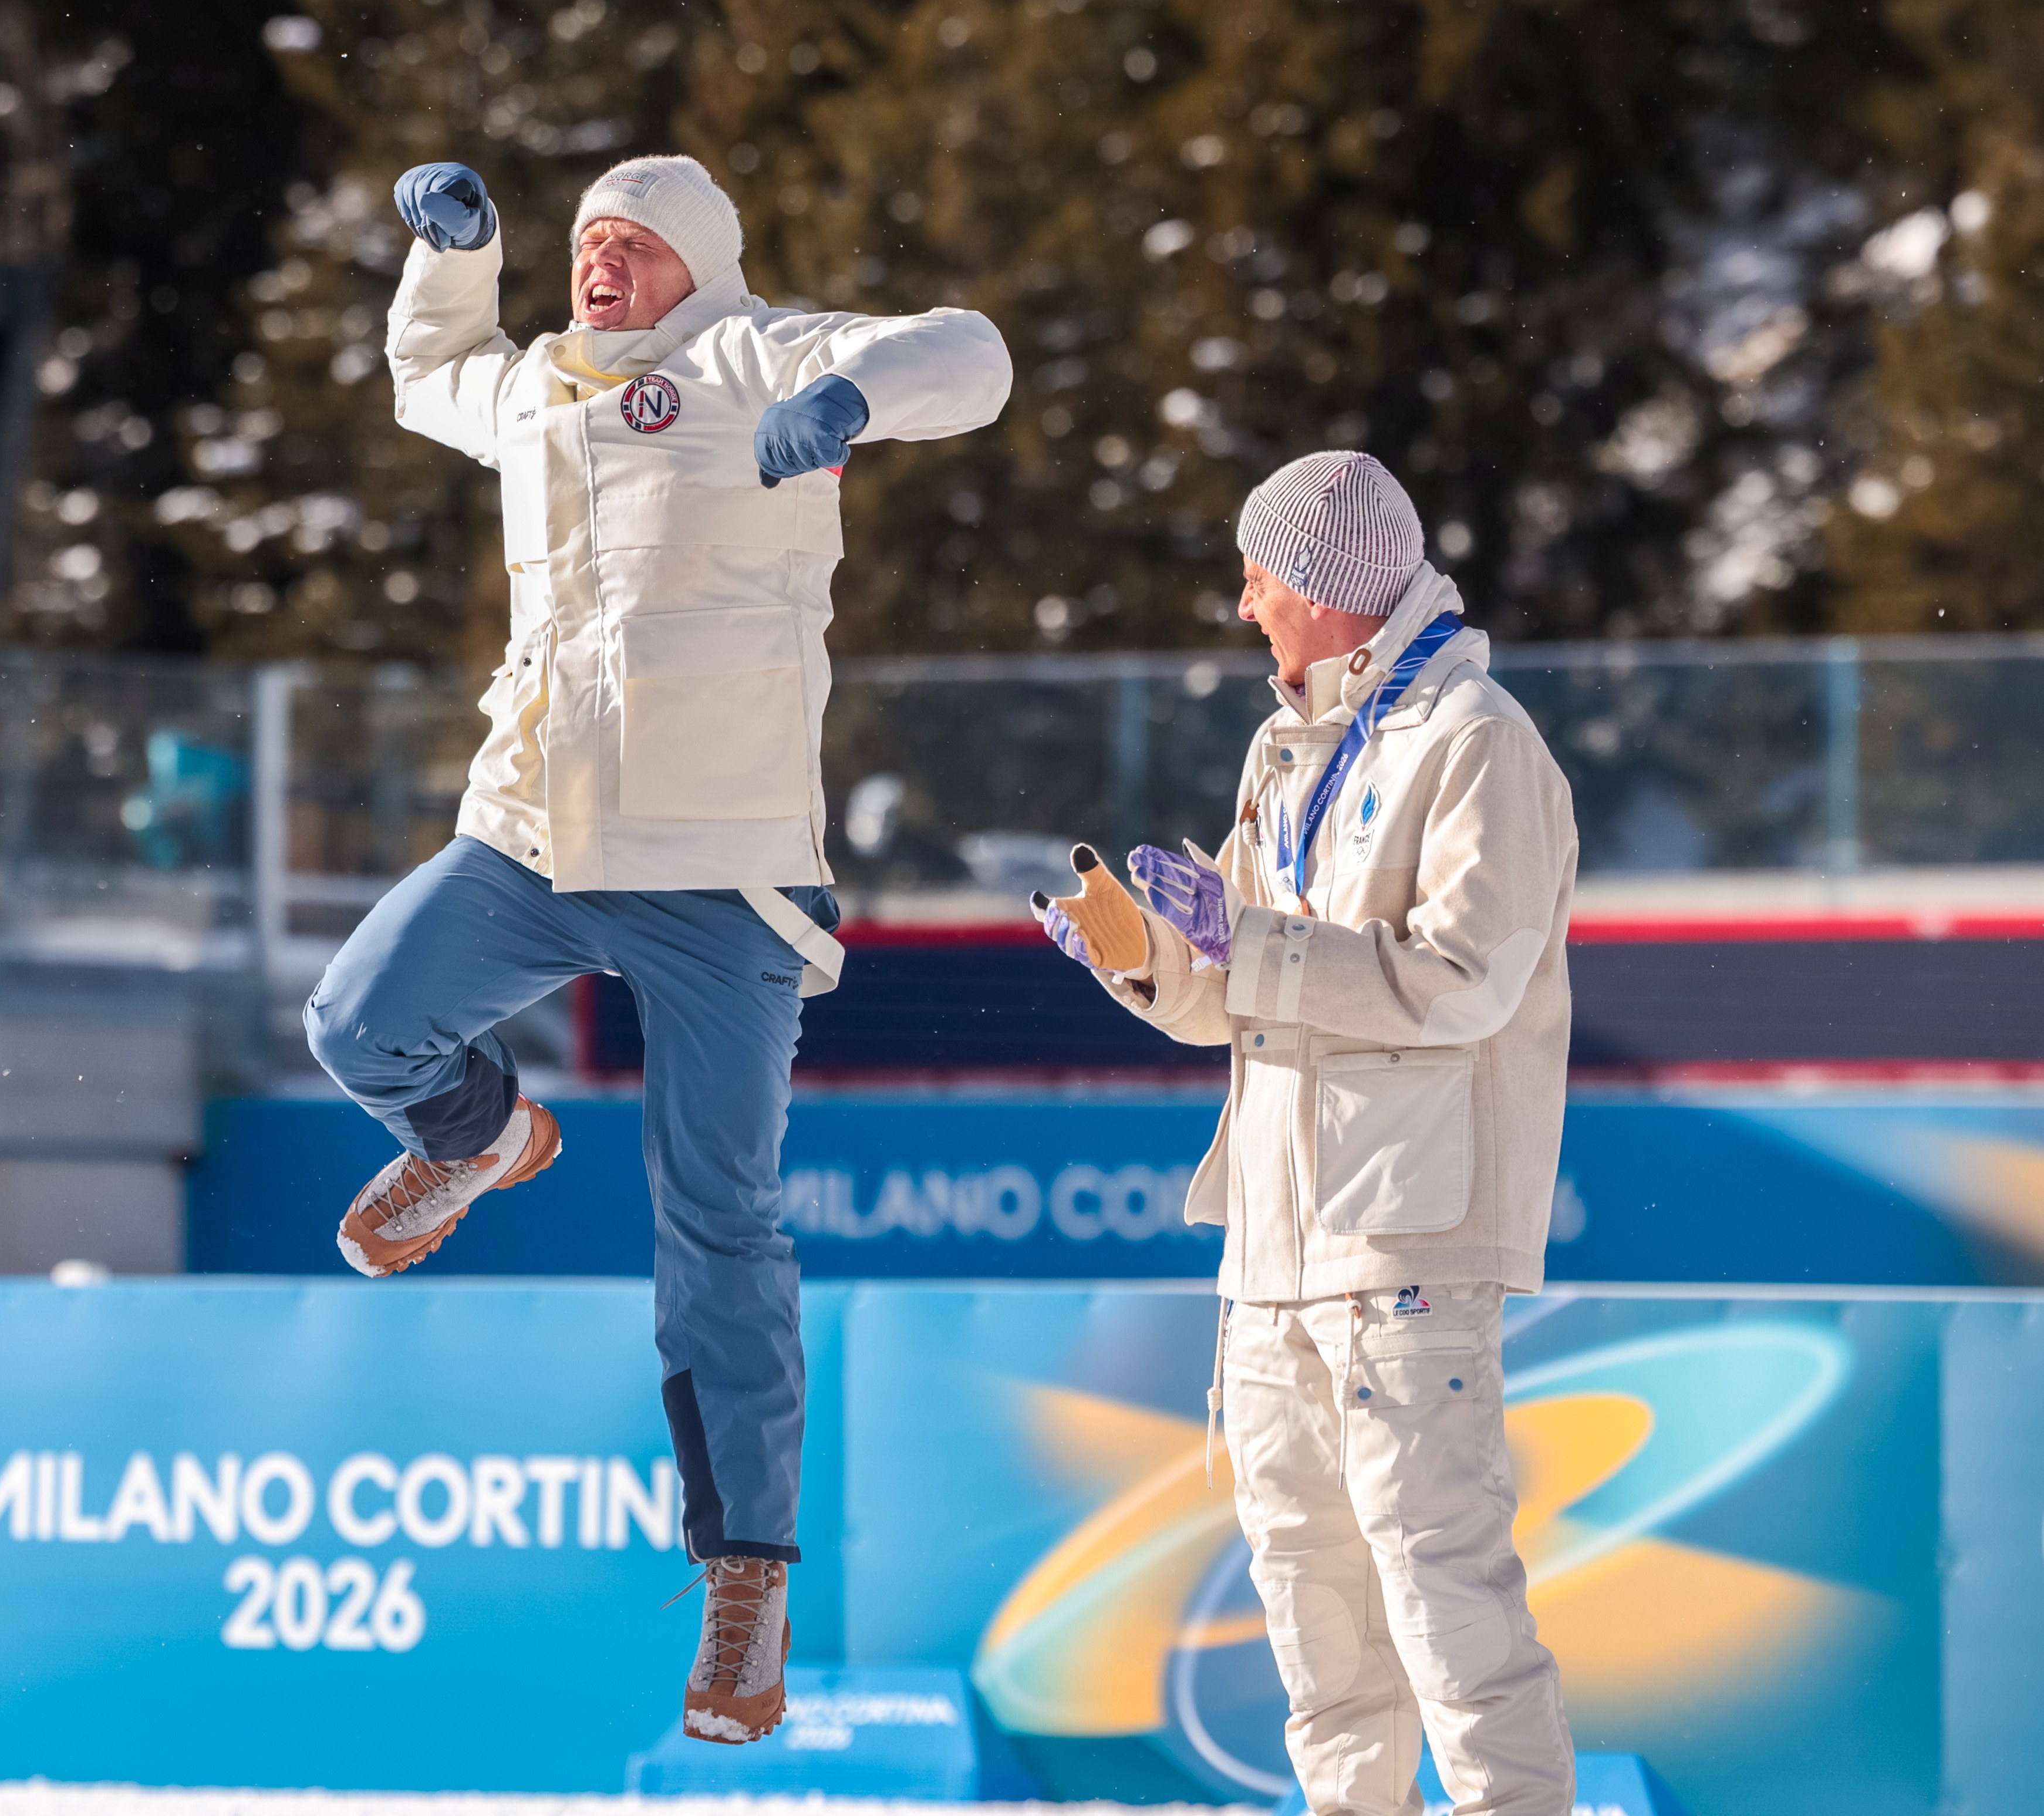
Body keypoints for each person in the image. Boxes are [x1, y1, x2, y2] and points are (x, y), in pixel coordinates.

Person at [305, 154, 1011, 1743]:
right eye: (585, 243)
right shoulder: (536, 387)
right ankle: (483, 1138)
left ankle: (743, 1577)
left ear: (700, 265)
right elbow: (431, 371)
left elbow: (970, 353)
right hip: (538, 832)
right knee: (355, 1022)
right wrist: (456, 258)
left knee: (719, 1227)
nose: (599, 265)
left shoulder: (755, 353)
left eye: (632, 244)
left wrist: (851, 404)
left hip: (722, 868)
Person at [1041, 450, 1579, 1815]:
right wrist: (1146, 957)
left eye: (1258, 576)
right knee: (1317, 1632)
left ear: (1327, 582)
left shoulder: (1476, 739)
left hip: (1405, 1245)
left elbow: (1469, 979)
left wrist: (1250, 944)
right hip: (1272, 1259)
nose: (1243, 606)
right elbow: (1236, 991)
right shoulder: (1283, 748)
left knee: (1450, 1611)